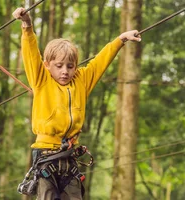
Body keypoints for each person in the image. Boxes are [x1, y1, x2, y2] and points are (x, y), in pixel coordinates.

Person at [12, 7, 141, 200]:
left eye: (70, 66)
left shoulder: (81, 81)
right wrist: (27, 25)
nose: (65, 71)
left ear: (76, 66)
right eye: (59, 66)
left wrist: (120, 40)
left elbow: (99, 62)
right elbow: (31, 54)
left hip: (69, 155)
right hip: (46, 156)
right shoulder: (41, 79)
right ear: (47, 65)